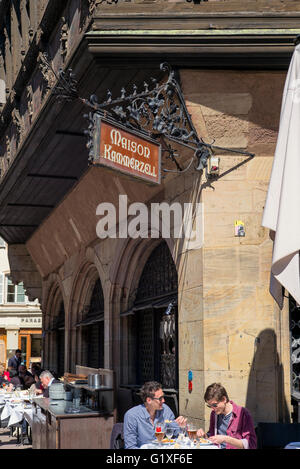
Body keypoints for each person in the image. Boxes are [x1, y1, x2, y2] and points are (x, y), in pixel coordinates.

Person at [124, 381, 187, 449]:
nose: (163, 400)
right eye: (160, 398)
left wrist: (182, 427)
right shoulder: (132, 416)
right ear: (149, 400)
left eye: (163, 397)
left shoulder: (165, 410)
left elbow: (177, 434)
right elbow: (130, 447)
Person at [197, 383, 257, 449]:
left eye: (214, 405)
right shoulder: (214, 414)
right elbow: (212, 436)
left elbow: (251, 444)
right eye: (209, 406)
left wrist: (226, 439)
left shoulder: (243, 414)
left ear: (224, 399)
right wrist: (204, 436)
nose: (212, 408)